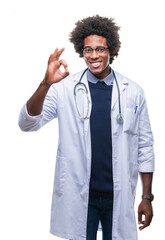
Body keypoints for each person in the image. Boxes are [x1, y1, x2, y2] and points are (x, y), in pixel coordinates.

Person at [18, 15, 155, 240]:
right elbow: (27, 123)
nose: (93, 56)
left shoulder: (133, 91)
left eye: (100, 49)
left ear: (112, 50)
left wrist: (146, 197)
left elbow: (145, 146)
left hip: (118, 196)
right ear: (82, 51)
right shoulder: (64, 89)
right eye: (88, 50)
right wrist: (45, 84)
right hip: (81, 195)